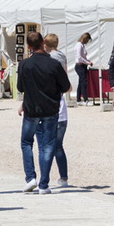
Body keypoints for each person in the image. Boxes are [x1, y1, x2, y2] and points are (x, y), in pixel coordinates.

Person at [17, 31, 70, 194]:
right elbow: (65, 86)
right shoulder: (53, 64)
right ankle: (44, 184)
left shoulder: (24, 64)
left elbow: (20, 87)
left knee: (26, 142)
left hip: (31, 108)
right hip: (50, 108)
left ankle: (30, 177)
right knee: (47, 145)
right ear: (42, 43)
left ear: (28, 46)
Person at [43, 34, 71, 185]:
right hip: (60, 101)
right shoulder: (62, 56)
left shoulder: (50, 59)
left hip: (51, 104)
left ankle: (44, 178)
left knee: (47, 146)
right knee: (58, 146)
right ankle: (63, 176)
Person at [74, 32, 92, 105]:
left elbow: (83, 57)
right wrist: (87, 62)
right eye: (87, 40)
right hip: (80, 66)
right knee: (84, 82)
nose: (87, 42)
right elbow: (79, 57)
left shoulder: (82, 45)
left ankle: (78, 99)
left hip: (83, 66)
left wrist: (88, 61)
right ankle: (85, 99)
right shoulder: (79, 45)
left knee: (81, 82)